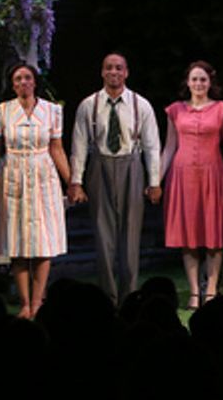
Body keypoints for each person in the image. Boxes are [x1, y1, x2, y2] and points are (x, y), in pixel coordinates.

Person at [0, 62, 71, 319]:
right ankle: (25, 303)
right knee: (17, 243)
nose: (23, 83)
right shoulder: (3, 111)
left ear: (35, 81)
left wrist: (72, 182)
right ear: (13, 84)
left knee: (42, 243)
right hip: (14, 175)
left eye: (27, 78)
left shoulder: (52, 111)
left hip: (43, 176)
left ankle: (39, 302)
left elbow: (57, 149)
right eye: (18, 79)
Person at [67, 53, 162, 305]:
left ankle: (129, 296)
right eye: (109, 68)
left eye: (118, 68)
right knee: (103, 234)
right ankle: (108, 297)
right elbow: (78, 145)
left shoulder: (140, 105)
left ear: (126, 72)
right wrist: (76, 180)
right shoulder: (90, 105)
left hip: (131, 165)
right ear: (102, 72)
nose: (114, 72)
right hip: (101, 165)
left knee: (131, 235)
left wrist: (154, 181)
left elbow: (152, 145)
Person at [160, 60, 223, 309]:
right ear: (188, 82)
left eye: (203, 79)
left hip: (212, 174)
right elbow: (169, 147)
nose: (198, 84)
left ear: (210, 82)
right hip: (182, 177)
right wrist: (156, 180)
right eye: (194, 79)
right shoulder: (175, 111)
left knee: (214, 235)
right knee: (188, 236)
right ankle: (195, 291)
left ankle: (212, 289)